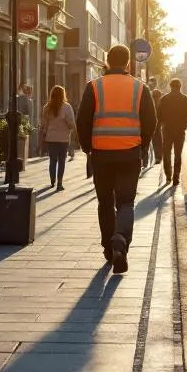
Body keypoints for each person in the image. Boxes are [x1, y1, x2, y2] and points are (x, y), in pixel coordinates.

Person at [76, 45, 157, 275]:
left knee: (104, 201)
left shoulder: (94, 87)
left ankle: (108, 249)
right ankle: (120, 240)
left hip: (101, 153)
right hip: (130, 153)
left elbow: (83, 120)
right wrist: (143, 145)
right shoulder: (139, 88)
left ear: (108, 62)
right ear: (129, 63)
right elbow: (151, 121)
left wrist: (87, 148)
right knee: (125, 202)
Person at [158, 79, 187, 185]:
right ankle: (176, 178)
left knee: (167, 153)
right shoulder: (185, 99)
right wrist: (185, 124)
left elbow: (159, 114)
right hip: (180, 130)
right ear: (180, 87)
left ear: (170, 86)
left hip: (167, 129)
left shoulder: (164, 99)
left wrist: (163, 123)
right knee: (178, 154)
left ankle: (168, 176)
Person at [40, 85, 75, 191]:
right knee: (62, 161)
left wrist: (44, 134)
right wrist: (70, 127)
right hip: (63, 139)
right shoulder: (67, 107)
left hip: (51, 139)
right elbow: (71, 123)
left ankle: (52, 181)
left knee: (52, 160)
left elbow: (44, 124)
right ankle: (59, 183)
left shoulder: (47, 107)